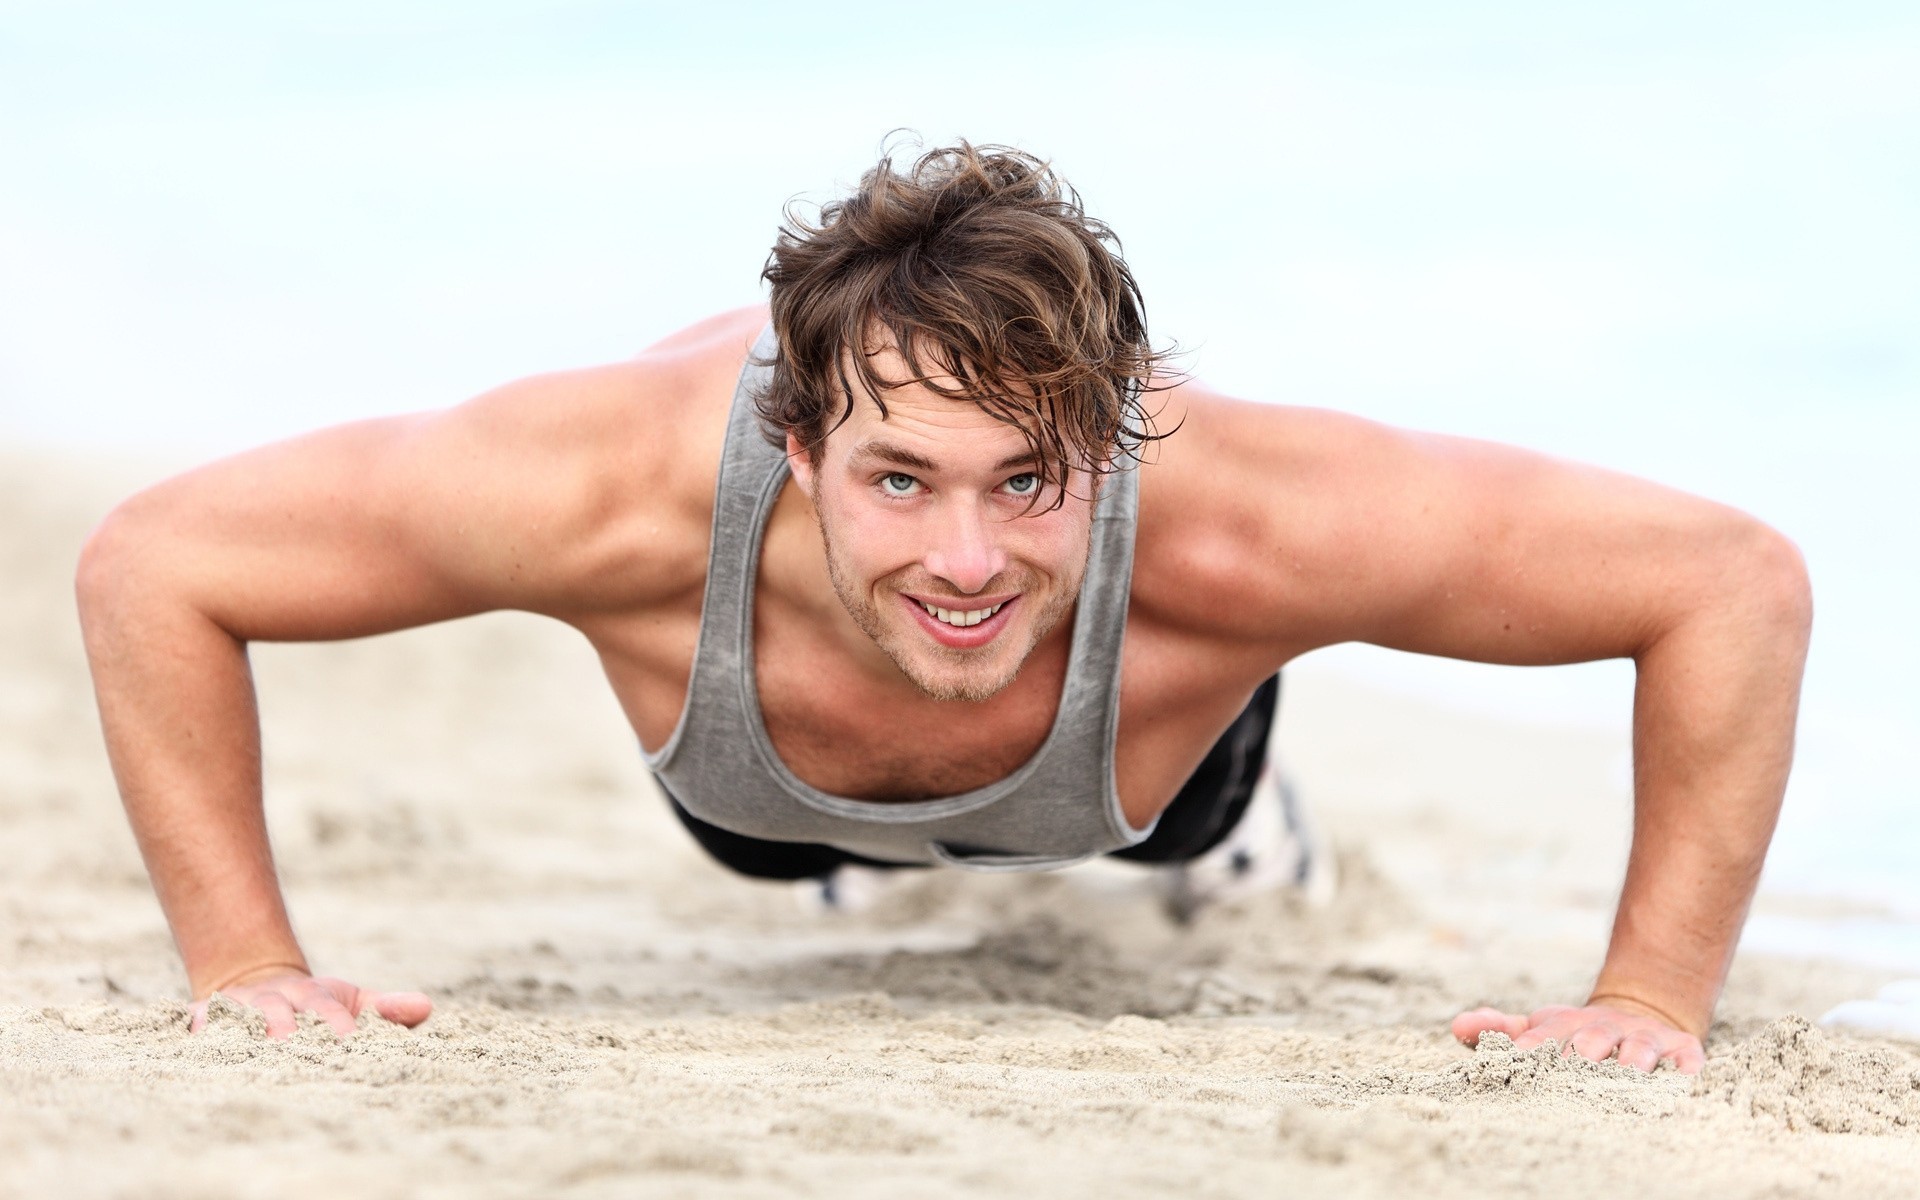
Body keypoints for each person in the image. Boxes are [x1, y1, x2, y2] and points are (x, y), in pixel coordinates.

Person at [75, 142, 1810, 1073]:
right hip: (755, 799)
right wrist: (247, 970)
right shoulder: (600, 489)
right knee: (781, 853)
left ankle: (1231, 811)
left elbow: (1726, 583)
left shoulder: (1252, 520)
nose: (970, 558)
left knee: (1172, 822)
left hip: (1138, 775)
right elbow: (159, 564)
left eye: (1031, 481)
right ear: (798, 438)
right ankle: (847, 834)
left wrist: (1651, 1000)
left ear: (1113, 440)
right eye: (900, 480)